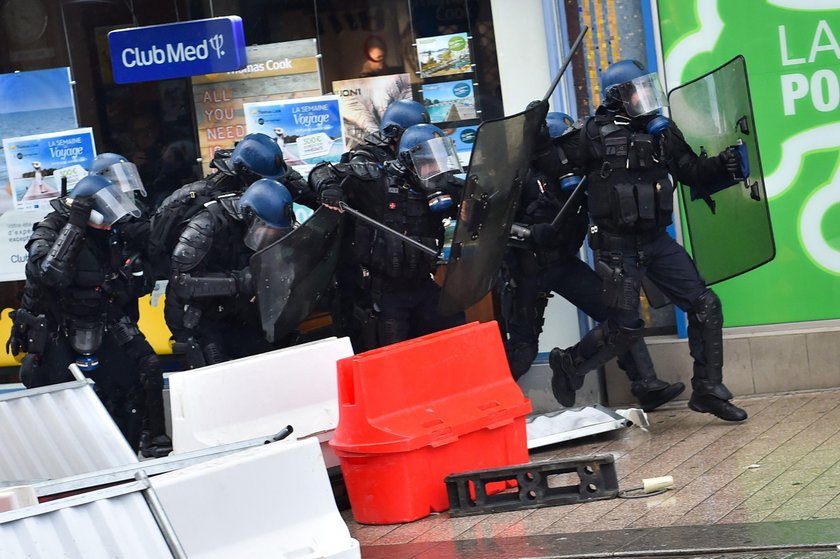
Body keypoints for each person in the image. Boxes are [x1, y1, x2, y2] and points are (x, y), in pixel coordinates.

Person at [539, 60, 748, 422]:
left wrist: (722, 165)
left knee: (706, 306)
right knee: (624, 327)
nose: (645, 97)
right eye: (637, 91)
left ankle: (708, 390)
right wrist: (535, 129)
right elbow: (553, 161)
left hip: (657, 242)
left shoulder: (663, 132)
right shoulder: (591, 134)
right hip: (617, 247)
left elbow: (690, 172)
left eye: (647, 88)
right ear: (618, 97)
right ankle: (569, 363)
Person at [502, 112, 685, 412]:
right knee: (523, 348)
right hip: (527, 272)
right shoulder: (520, 177)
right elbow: (494, 229)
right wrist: (530, 233)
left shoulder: (581, 177)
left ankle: (647, 385)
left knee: (620, 316)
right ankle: (496, 406)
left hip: (562, 265)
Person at [7, 172, 173, 457]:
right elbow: (50, 274)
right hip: (59, 324)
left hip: (102, 315)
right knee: (62, 397)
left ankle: (138, 449)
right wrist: (75, 224)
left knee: (143, 369)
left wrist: (132, 276)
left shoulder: (106, 235)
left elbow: (135, 273)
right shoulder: (50, 230)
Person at [311, 122, 465, 349]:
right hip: (386, 293)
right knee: (394, 355)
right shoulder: (377, 181)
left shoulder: (443, 187)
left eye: (438, 160)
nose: (435, 169)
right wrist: (329, 188)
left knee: (455, 336)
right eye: (428, 162)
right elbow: (321, 170)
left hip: (424, 284)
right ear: (408, 162)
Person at [317, 99, 431, 350]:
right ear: (395, 135)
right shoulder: (366, 159)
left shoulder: (414, 158)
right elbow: (323, 172)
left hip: (414, 268)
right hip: (376, 273)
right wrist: (329, 188)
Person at [165, 178, 296, 365]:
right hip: (196, 315)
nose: (269, 235)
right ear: (249, 215)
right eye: (266, 229)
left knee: (267, 357)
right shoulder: (206, 224)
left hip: (233, 310)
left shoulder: (260, 226)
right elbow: (182, 284)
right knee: (214, 363)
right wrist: (238, 282)